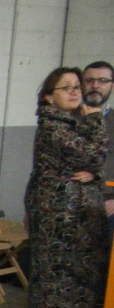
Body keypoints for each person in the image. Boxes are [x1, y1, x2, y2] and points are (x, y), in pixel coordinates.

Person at [20, 67, 109, 308]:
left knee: (62, 285)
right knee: (57, 286)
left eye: (76, 87)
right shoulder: (55, 127)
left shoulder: (69, 123)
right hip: (60, 220)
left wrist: (93, 174)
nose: (74, 92)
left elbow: (93, 162)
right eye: (66, 87)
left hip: (70, 219)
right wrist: (95, 120)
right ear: (49, 96)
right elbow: (94, 155)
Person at [82, 61, 114, 234]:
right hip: (70, 203)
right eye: (89, 80)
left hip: (108, 204)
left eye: (102, 80)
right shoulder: (66, 120)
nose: (95, 86)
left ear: (112, 85)